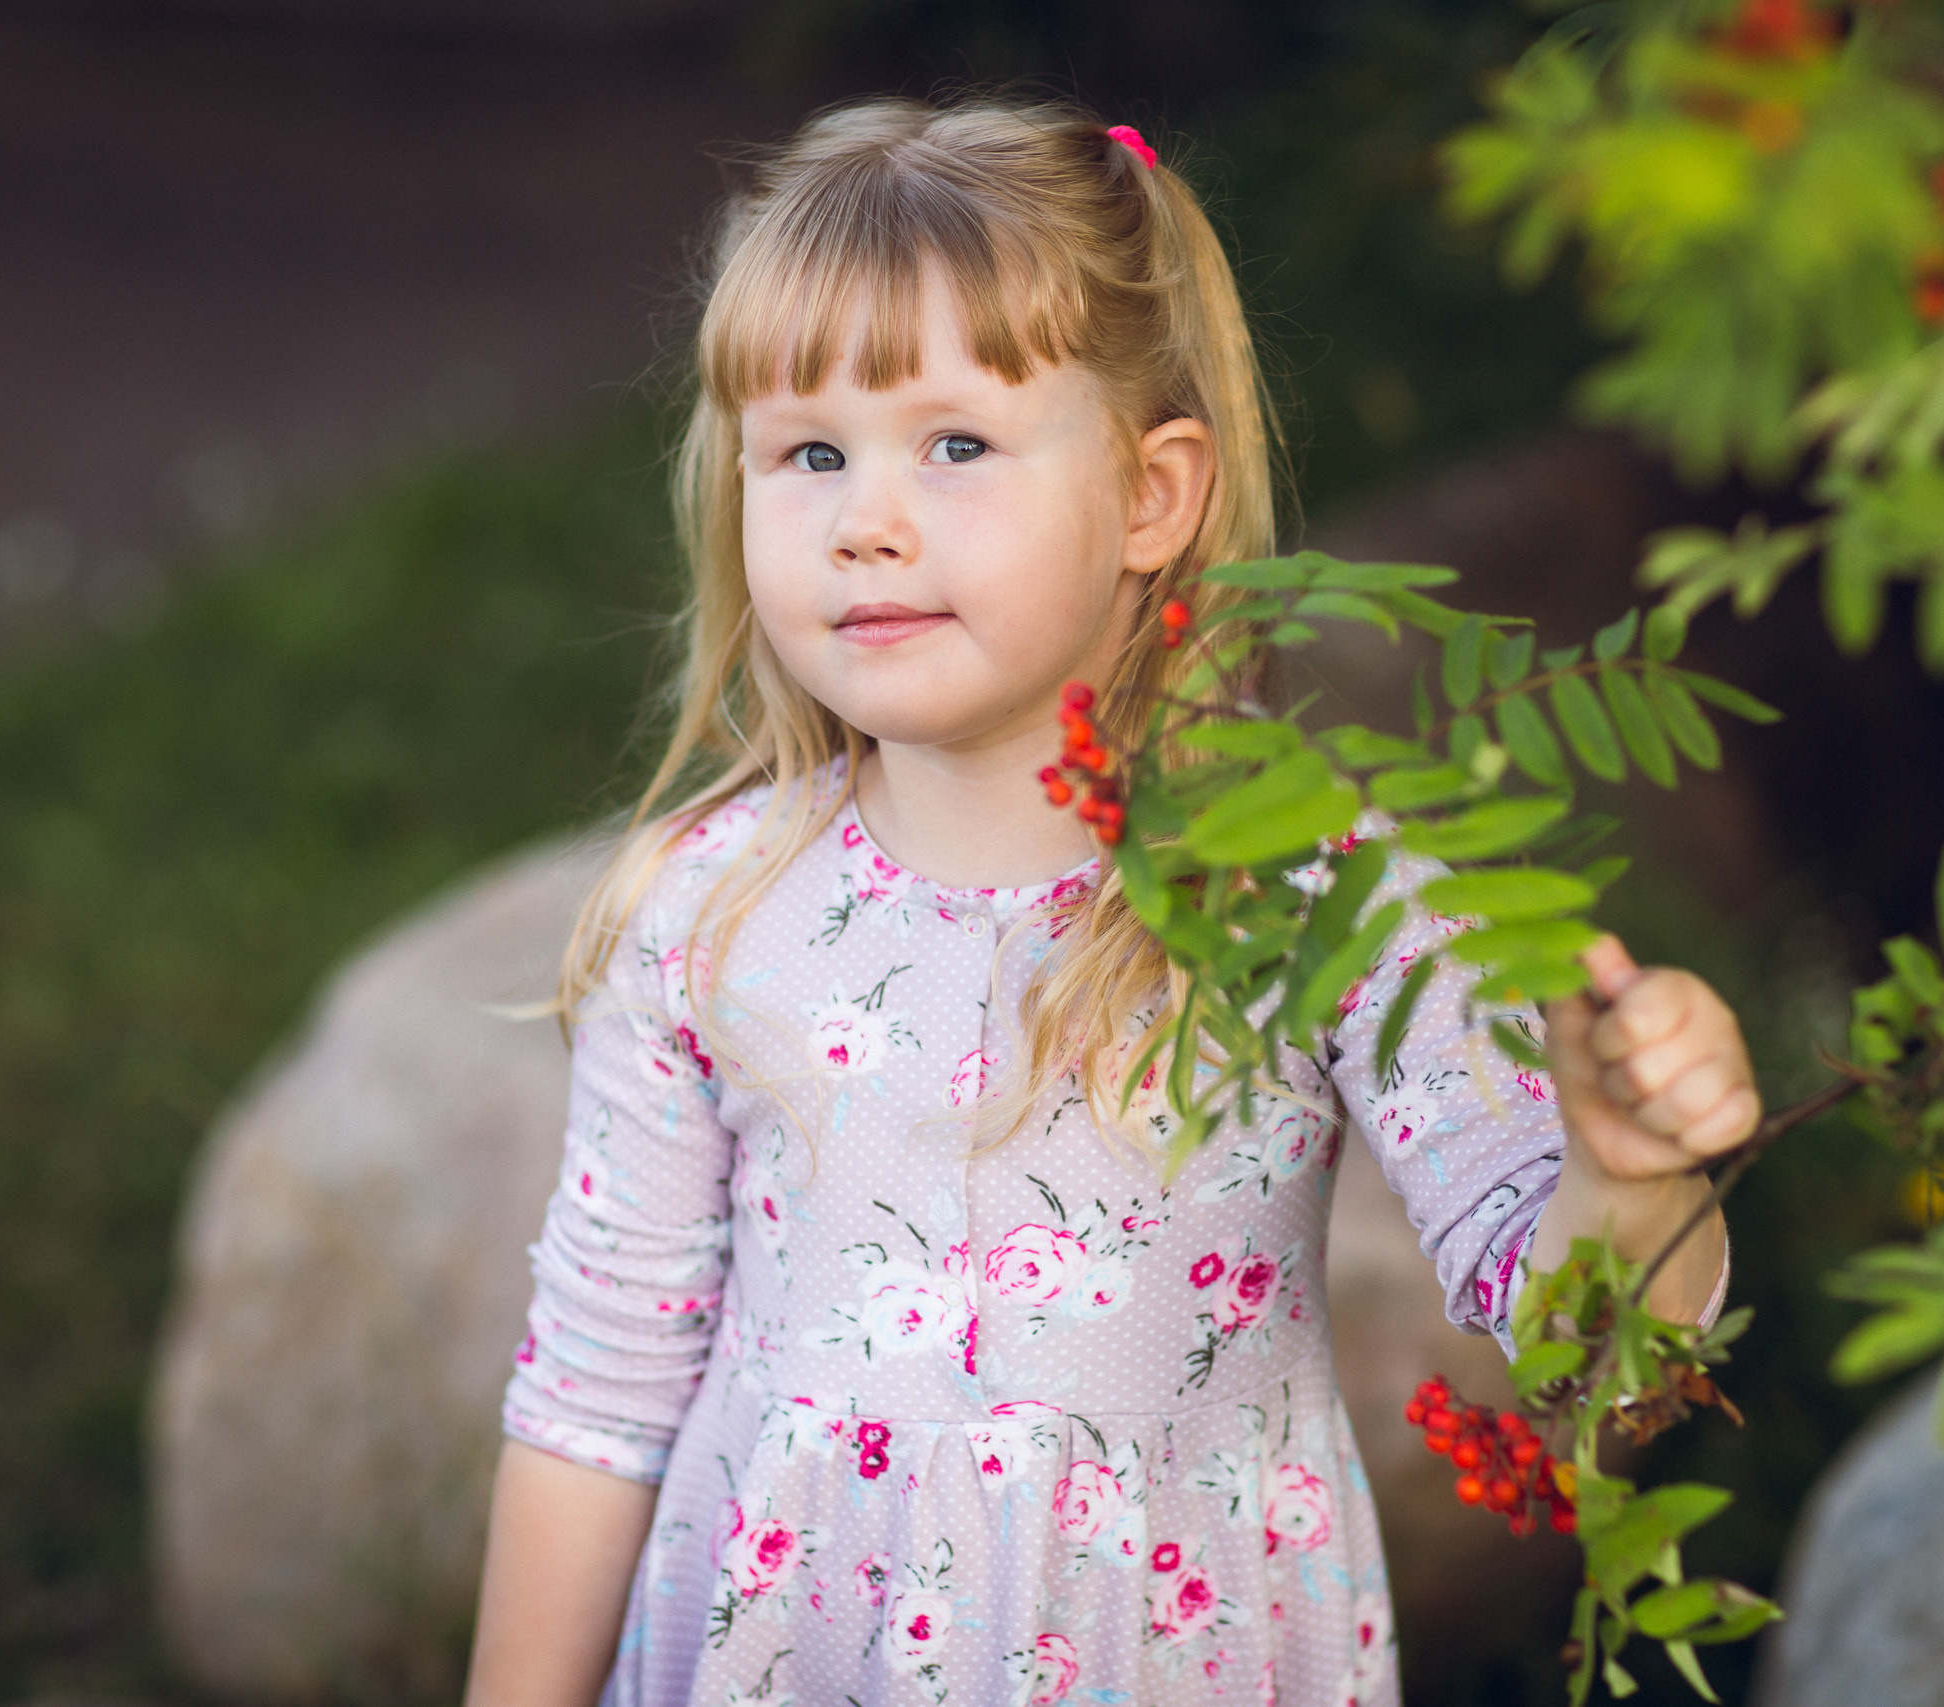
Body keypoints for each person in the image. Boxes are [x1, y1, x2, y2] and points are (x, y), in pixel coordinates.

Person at [462, 97, 1761, 1707]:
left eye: (955, 443)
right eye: (809, 452)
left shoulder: (1308, 885)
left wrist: (1633, 1174)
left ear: (1156, 497)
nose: (865, 516)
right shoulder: (712, 913)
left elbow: (1580, 1349)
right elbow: (599, 1395)